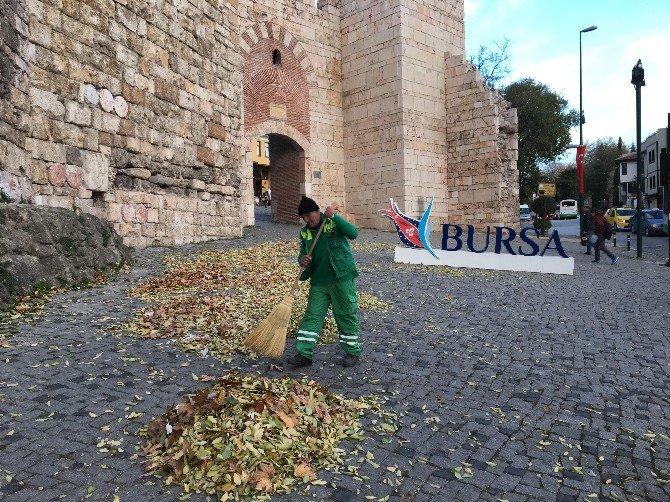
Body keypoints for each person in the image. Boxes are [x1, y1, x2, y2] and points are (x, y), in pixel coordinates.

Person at [287, 196, 361, 369]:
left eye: (308, 215)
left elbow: (353, 233)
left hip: (341, 277)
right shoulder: (305, 232)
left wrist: (335, 216)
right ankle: (304, 354)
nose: (306, 220)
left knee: (345, 314)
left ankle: (352, 351)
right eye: (303, 217)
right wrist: (302, 260)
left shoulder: (332, 222)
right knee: (312, 316)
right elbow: (303, 253)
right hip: (319, 281)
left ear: (316, 211)